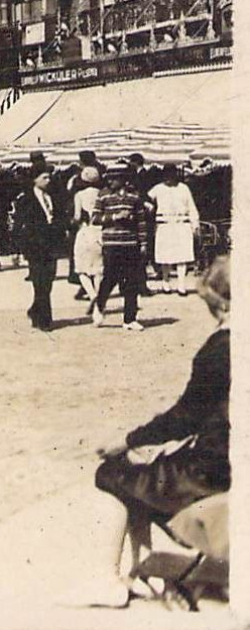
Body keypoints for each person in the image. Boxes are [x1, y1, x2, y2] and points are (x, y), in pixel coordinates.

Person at [85, 254, 229, 608]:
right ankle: (140, 573)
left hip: (213, 470)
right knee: (143, 467)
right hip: (229, 454)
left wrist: (127, 441)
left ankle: (108, 579)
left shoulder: (221, 347)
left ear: (223, 302)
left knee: (113, 472)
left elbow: (185, 417)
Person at [92, 168, 148, 331]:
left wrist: (143, 243)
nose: (110, 181)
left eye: (114, 178)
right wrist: (115, 217)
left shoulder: (134, 197)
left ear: (123, 179)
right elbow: (94, 218)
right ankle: (99, 306)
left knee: (132, 281)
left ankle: (129, 319)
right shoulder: (103, 195)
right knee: (109, 279)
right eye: (109, 179)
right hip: (111, 244)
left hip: (131, 244)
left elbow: (141, 222)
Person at [11, 167, 62, 333]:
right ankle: (44, 320)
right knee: (40, 282)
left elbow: (59, 218)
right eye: (45, 177)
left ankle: (35, 310)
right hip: (34, 245)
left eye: (49, 177)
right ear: (35, 180)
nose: (49, 180)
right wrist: (19, 246)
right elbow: (19, 223)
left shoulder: (52, 197)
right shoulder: (25, 199)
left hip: (51, 244)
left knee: (48, 280)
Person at [151, 166, 200, 294]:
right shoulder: (158, 188)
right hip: (164, 224)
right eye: (166, 176)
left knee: (182, 256)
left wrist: (195, 225)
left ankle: (181, 285)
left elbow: (191, 207)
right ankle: (166, 283)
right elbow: (144, 199)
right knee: (165, 256)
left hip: (181, 224)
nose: (169, 179)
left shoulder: (184, 188)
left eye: (171, 175)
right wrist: (149, 206)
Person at [71, 168, 105, 306]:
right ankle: (98, 294)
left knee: (81, 268)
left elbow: (77, 216)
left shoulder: (79, 195)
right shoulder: (102, 194)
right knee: (98, 269)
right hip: (100, 232)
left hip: (85, 231)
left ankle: (92, 295)